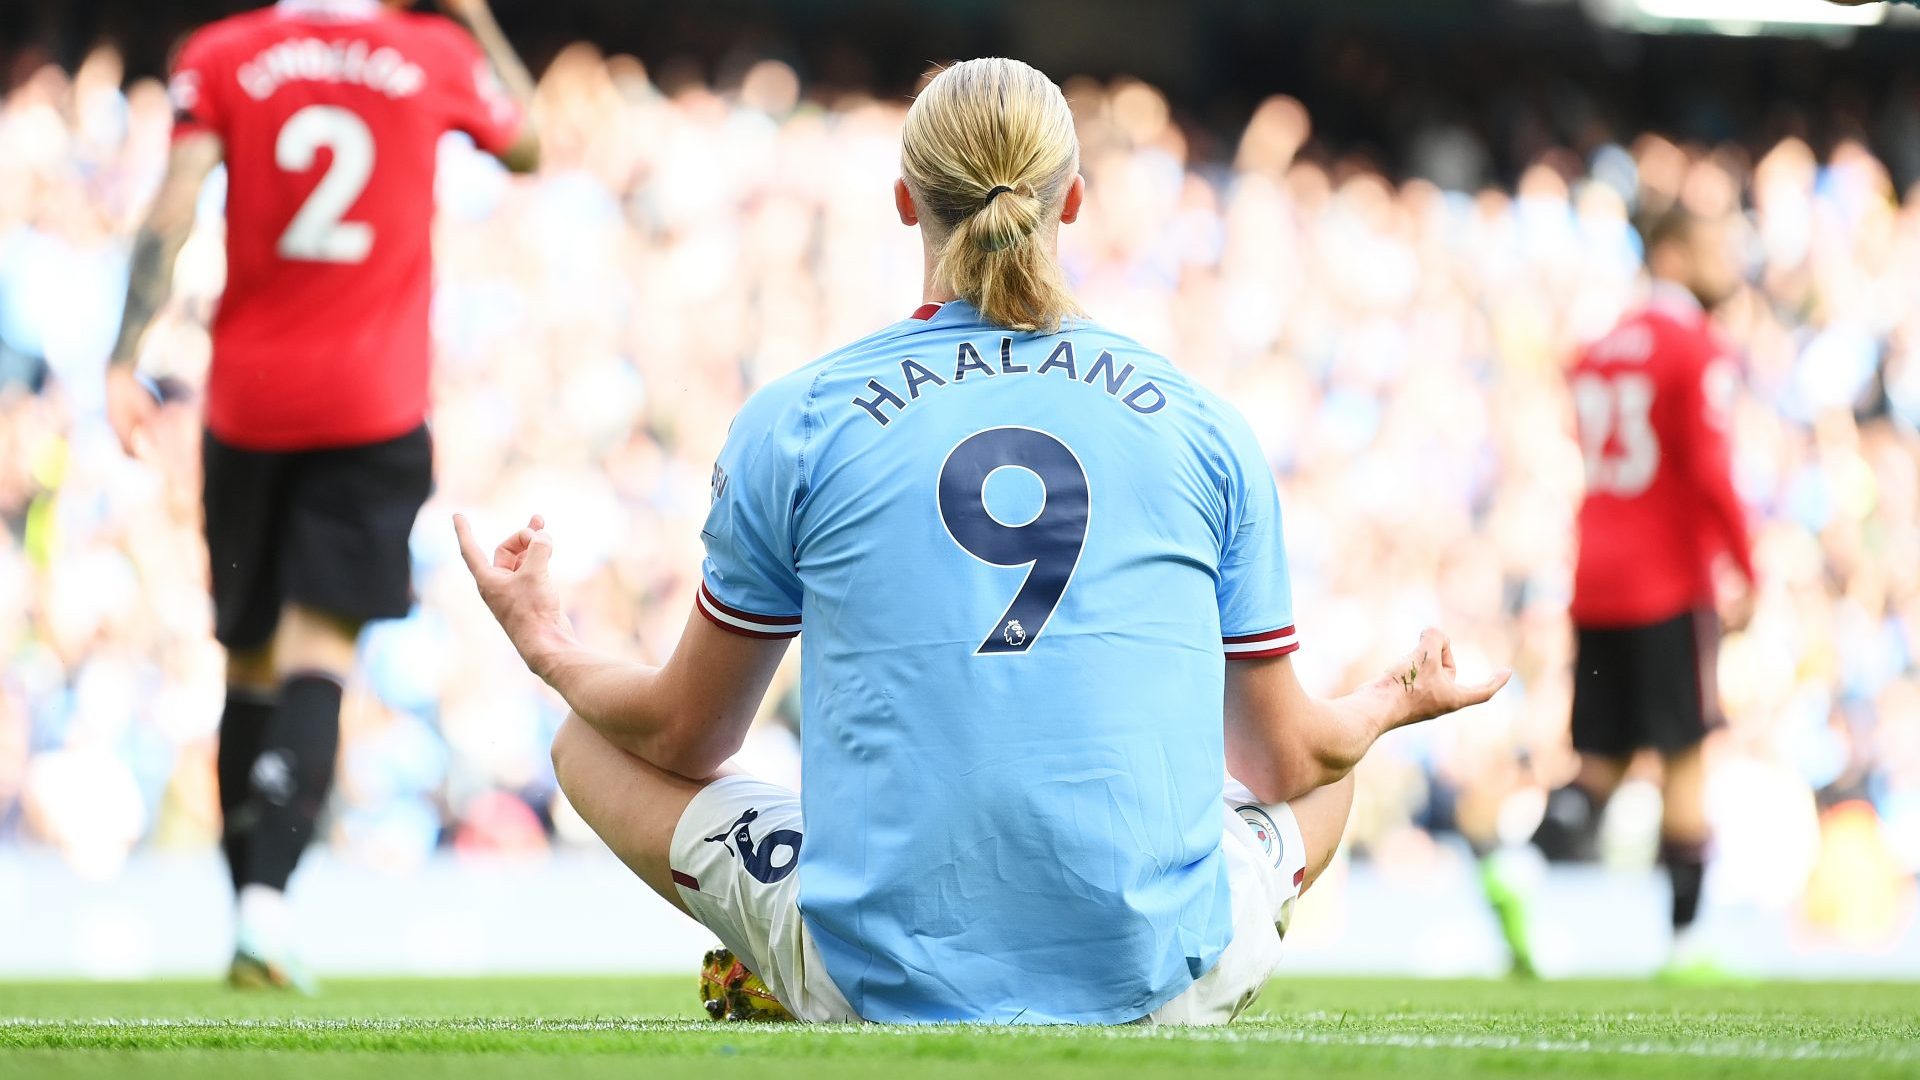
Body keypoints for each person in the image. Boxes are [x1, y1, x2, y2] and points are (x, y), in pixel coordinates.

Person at [457, 57, 1506, 1024]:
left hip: (874, 980)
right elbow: (1284, 757)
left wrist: (548, 643)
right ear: (1075, 202)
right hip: (1156, 979)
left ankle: (793, 965)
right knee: (1332, 767)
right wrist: (1395, 702)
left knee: (584, 740)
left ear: (905, 201)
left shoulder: (800, 416)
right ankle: (1169, 972)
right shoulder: (1203, 422)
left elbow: (684, 737)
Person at [106, 0, 539, 990]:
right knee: (318, 656)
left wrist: (126, 353)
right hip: (371, 406)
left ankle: (244, 908)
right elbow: (530, 143)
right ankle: (266, 908)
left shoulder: (222, 53)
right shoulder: (428, 52)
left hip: (247, 404)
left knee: (248, 660)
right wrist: (475, 20)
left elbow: (174, 205)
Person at [1483, 207, 1755, 981]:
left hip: (1595, 576)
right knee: (1686, 754)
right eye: (1712, 241)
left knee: (1600, 759)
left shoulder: (1598, 349)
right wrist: (1747, 568)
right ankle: (1686, 943)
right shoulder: (1695, 345)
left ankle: (1521, 867)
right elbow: (1708, 471)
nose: (1728, 257)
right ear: (1672, 251)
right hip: (1669, 580)